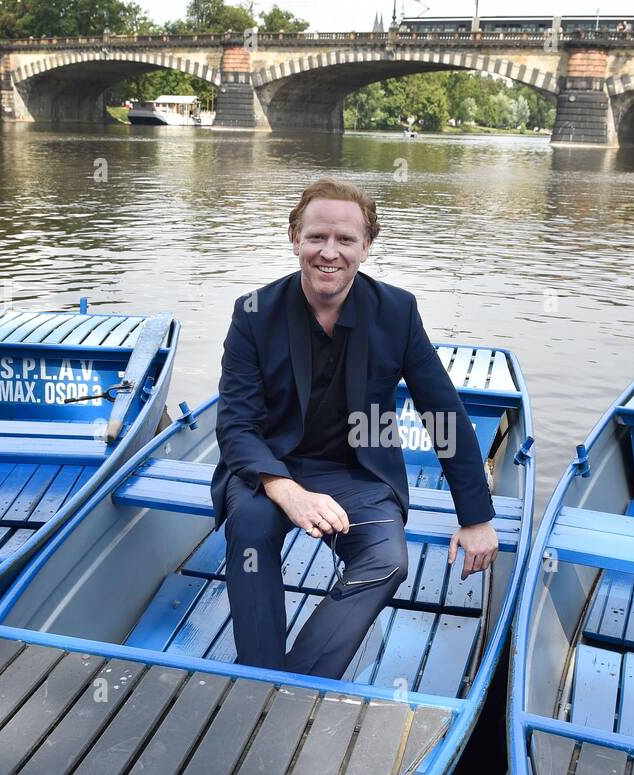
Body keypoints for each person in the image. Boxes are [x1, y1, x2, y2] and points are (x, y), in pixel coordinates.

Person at [210, 178, 499, 679]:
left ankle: (296, 680)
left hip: (357, 472)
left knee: (388, 560)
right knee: (251, 530)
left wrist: (475, 517)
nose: (329, 252)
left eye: (345, 240)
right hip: (272, 468)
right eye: (317, 237)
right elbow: (236, 423)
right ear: (294, 238)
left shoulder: (397, 311)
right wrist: (287, 491)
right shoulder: (254, 313)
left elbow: (442, 412)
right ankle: (257, 673)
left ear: (366, 247)